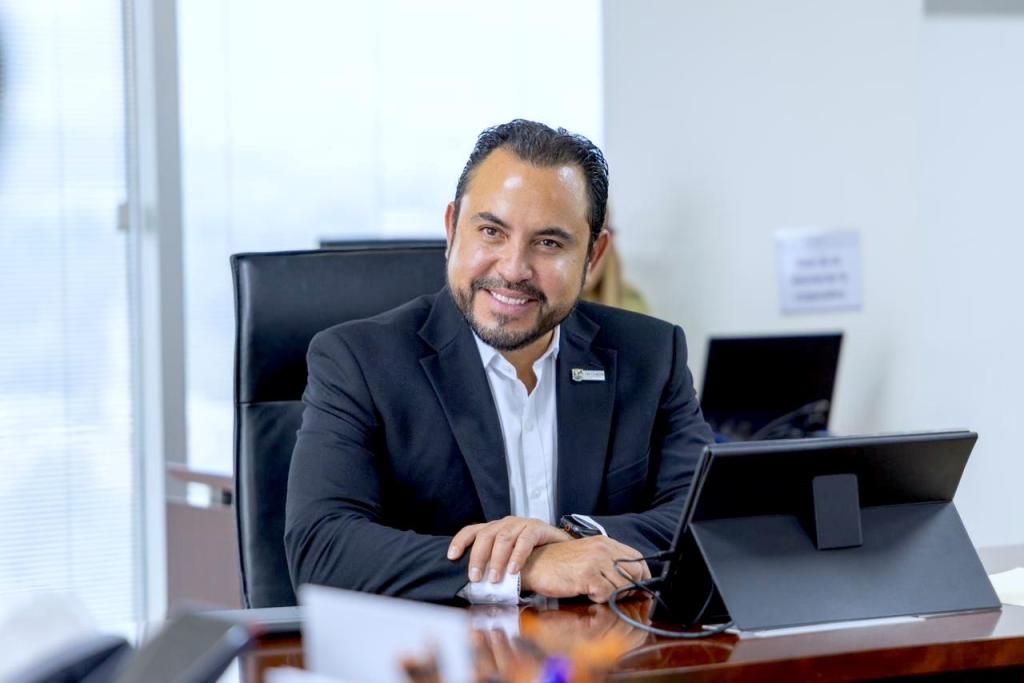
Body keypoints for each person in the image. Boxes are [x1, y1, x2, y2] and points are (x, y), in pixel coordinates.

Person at [285, 119, 712, 605]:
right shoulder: (359, 361)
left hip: (605, 646)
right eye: (491, 232)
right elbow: (322, 548)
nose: (513, 269)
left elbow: (708, 519)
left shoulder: (650, 354)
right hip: (439, 650)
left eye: (549, 243)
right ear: (452, 228)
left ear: (593, 256)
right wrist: (526, 566)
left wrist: (580, 541)